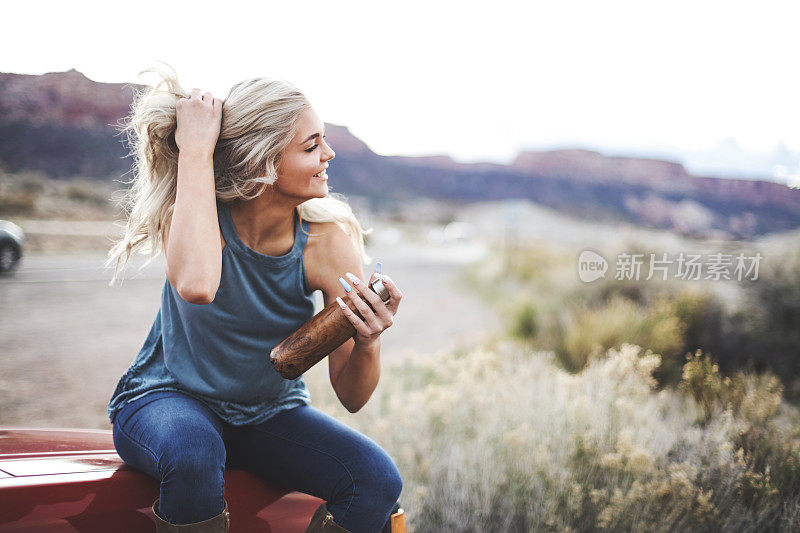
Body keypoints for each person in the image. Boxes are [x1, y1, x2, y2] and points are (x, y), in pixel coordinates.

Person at [105, 65, 404, 533]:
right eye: (311, 146)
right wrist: (197, 149)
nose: (328, 154)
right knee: (193, 453)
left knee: (376, 480)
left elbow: (352, 397)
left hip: (268, 414)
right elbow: (198, 285)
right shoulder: (193, 213)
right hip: (168, 397)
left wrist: (368, 342)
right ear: (261, 161)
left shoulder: (327, 243)